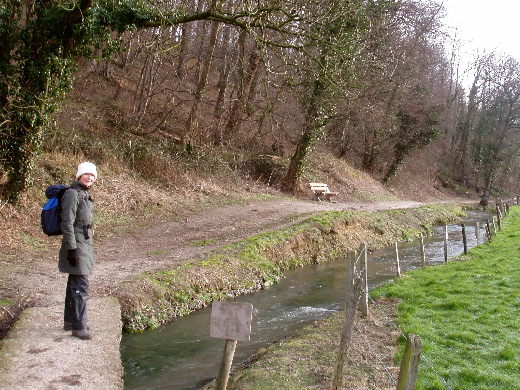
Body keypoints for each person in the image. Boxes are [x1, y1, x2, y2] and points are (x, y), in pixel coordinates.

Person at [58, 162, 97, 340]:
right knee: (81, 285)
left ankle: (70, 321)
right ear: (79, 175)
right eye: (86, 174)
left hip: (84, 243)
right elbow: (67, 223)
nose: (89, 178)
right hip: (77, 244)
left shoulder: (84, 193)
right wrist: (72, 249)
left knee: (74, 282)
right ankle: (79, 327)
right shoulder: (73, 193)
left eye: (92, 175)